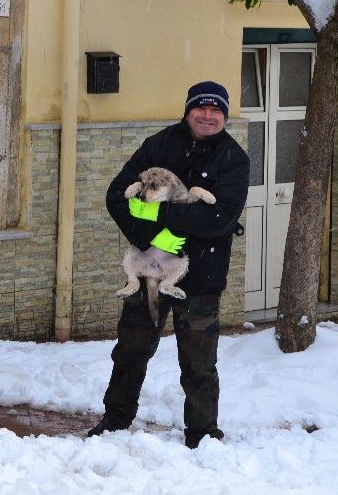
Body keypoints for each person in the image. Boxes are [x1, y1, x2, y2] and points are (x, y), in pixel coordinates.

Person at [88, 80, 249, 448]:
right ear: (188, 109)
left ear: (224, 115)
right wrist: (149, 237)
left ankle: (203, 433)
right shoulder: (159, 144)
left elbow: (219, 219)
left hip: (202, 276)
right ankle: (115, 419)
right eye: (200, 108)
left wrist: (156, 212)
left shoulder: (233, 159)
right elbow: (117, 195)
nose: (207, 116)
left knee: (198, 363)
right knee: (131, 350)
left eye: (216, 110)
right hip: (148, 268)